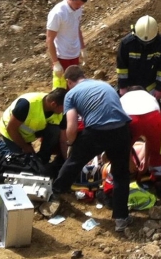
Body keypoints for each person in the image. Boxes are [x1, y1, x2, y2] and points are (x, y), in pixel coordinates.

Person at [53, 65, 132, 232]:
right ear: (84, 76)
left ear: (68, 82)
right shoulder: (105, 85)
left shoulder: (71, 94)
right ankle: (121, 218)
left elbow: (72, 127)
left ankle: (55, 193)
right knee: (121, 175)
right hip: (121, 129)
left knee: (74, 162)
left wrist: (71, 144)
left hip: (96, 131)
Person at [0, 88, 67, 173]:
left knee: (55, 130)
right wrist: (26, 147)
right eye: (63, 107)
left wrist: (67, 160)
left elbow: (63, 140)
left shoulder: (60, 113)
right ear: (53, 104)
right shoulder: (27, 104)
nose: (65, 110)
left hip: (30, 133)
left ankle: (42, 160)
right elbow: (11, 129)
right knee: (16, 163)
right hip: (11, 133)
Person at [120, 87, 161, 198]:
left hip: (131, 118)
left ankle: (118, 188)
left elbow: (122, 143)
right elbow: (151, 141)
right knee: (158, 151)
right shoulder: (150, 98)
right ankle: (159, 181)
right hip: (154, 117)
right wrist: (146, 164)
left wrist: (130, 162)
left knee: (120, 152)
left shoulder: (123, 99)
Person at [117, 15, 161, 97]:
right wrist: (123, 87)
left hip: (150, 88)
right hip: (130, 88)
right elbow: (122, 68)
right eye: (142, 42)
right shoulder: (126, 44)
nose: (145, 45)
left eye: (149, 42)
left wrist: (159, 88)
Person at [47, 0, 88, 89]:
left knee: (74, 86)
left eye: (81, 5)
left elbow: (77, 28)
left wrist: (82, 48)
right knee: (62, 88)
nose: (79, 7)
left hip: (74, 54)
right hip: (62, 56)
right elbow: (49, 39)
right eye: (77, 4)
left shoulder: (78, 9)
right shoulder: (58, 13)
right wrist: (55, 62)